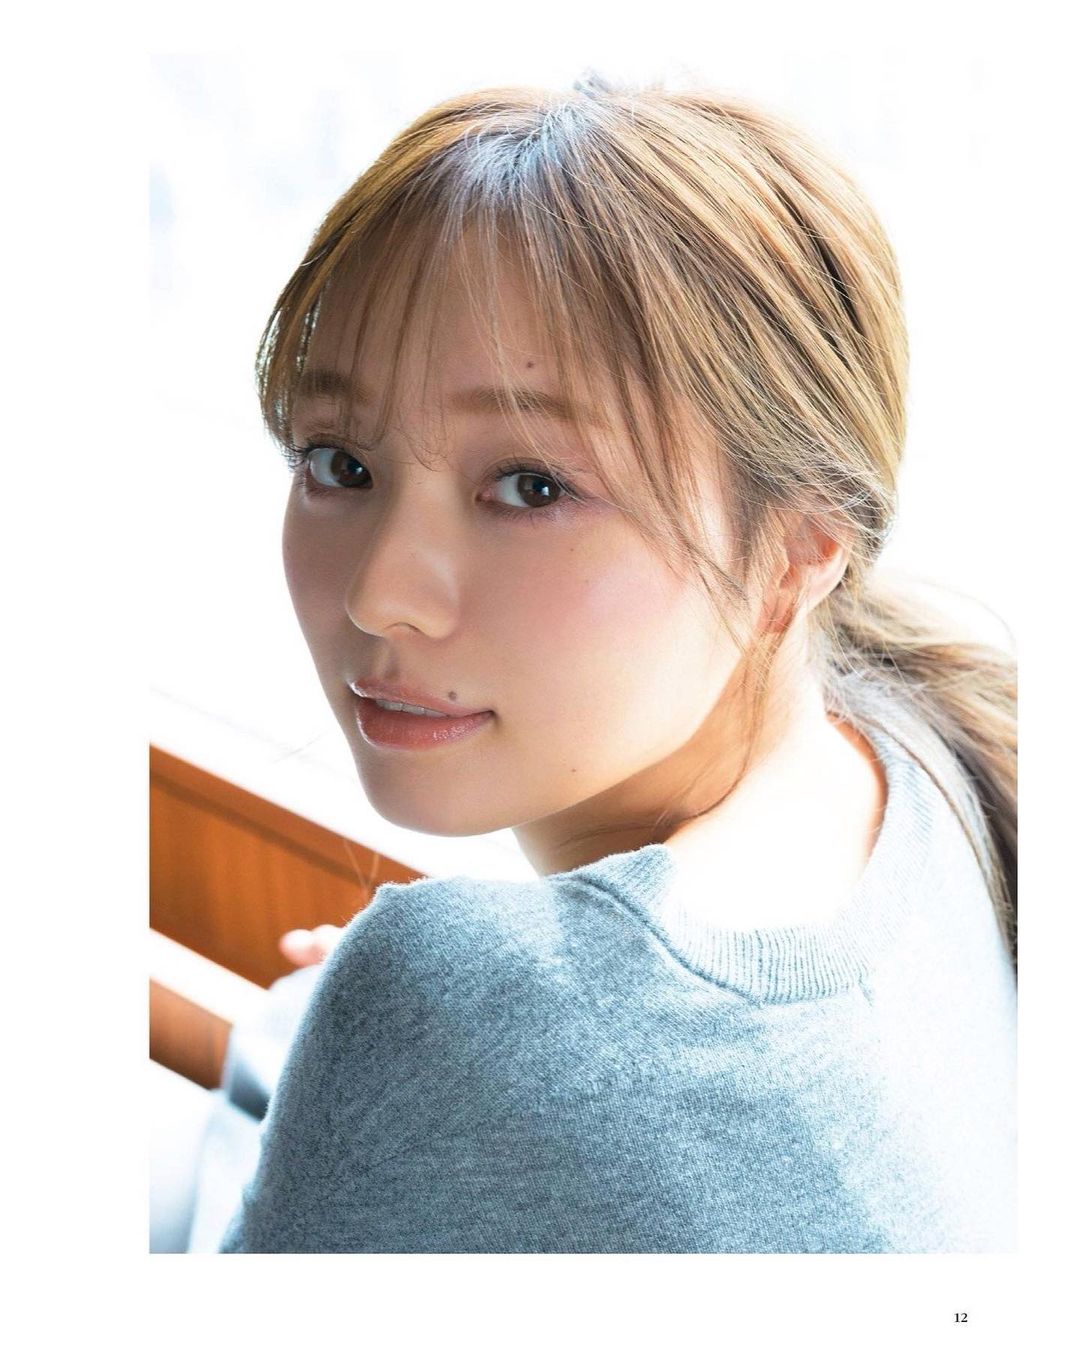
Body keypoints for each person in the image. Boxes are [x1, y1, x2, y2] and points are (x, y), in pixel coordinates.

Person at [218, 71, 1016, 1253]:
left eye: (532, 485)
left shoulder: (467, 1008)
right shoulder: (931, 750)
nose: (382, 591)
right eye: (339, 461)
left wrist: (410, 1056)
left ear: (798, 551)